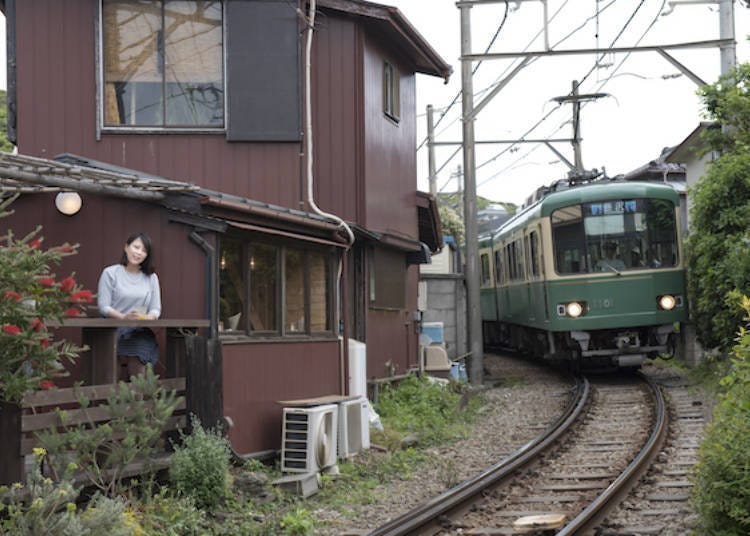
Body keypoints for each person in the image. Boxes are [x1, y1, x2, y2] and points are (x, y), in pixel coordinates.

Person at [97, 232, 162, 380]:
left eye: (144, 250)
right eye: (136, 247)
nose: (139, 253)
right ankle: (112, 399)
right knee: (113, 363)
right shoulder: (110, 273)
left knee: (139, 353)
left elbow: (156, 308)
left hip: (138, 329)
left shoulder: (151, 277)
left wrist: (150, 317)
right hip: (113, 328)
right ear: (126, 247)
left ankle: (136, 400)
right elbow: (103, 306)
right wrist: (123, 317)